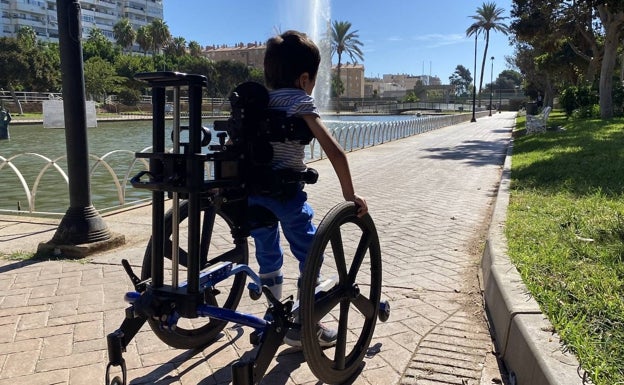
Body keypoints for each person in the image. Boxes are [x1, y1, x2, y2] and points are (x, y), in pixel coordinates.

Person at [248, 30, 368, 347]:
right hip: (287, 195)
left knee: (268, 255)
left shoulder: (259, 102)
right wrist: (349, 195)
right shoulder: (301, 100)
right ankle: (305, 324)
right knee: (310, 252)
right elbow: (336, 153)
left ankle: (274, 316)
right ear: (305, 79)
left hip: (255, 194)